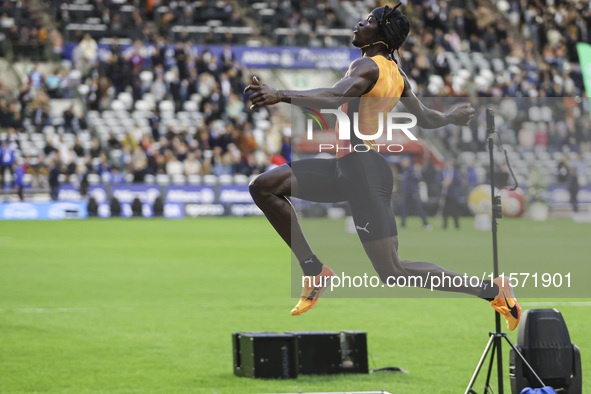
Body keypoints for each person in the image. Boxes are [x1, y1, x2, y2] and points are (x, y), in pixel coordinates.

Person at [245, 4, 520, 331]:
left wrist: (279, 94)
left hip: (363, 171)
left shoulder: (368, 65)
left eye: (369, 21)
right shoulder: (397, 75)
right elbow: (426, 118)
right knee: (263, 186)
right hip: (346, 168)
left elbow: (335, 97)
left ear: (381, 34)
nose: (360, 23)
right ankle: (313, 270)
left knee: (393, 271)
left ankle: (493, 291)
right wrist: (450, 118)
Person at [399, 157, 431, 230]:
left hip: (413, 192)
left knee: (418, 208)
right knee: (404, 208)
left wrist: (418, 172)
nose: (402, 163)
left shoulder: (411, 169)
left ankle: (426, 223)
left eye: (403, 161)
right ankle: (403, 224)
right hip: (406, 192)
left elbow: (418, 179)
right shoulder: (405, 170)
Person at [437, 157, 462, 229]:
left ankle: (456, 225)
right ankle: (445, 224)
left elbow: (458, 181)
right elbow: (437, 181)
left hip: (453, 193)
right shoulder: (441, 171)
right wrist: (443, 182)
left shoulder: (455, 171)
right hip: (444, 194)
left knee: (454, 210)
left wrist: (451, 181)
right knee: (445, 210)